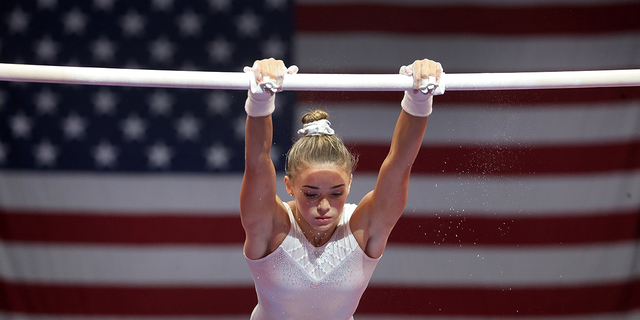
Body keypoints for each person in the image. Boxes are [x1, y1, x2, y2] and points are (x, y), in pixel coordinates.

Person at [240, 58, 443, 320]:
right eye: (311, 194)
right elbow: (257, 163)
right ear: (289, 186)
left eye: (336, 193)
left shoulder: (364, 228)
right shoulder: (270, 226)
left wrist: (419, 98)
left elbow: (400, 164)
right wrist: (260, 99)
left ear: (349, 183)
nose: (324, 206)